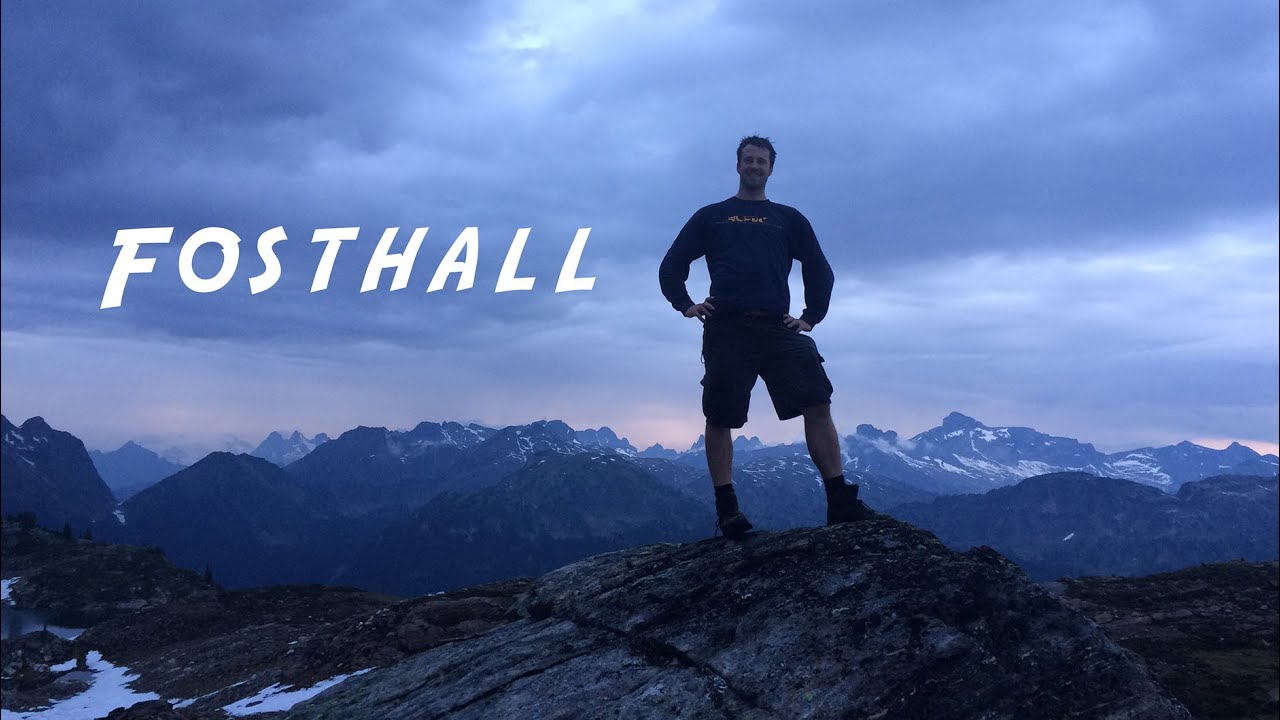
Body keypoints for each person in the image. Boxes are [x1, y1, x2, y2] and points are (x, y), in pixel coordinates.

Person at [658, 135, 870, 538]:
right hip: (726, 327)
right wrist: (685, 304)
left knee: (817, 401)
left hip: (777, 327)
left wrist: (811, 317)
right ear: (737, 166)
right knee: (719, 415)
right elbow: (671, 265)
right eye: (748, 160)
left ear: (771, 168)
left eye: (762, 161)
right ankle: (727, 510)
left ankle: (840, 501)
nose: (755, 166)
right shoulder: (712, 216)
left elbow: (819, 269)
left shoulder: (789, 219)